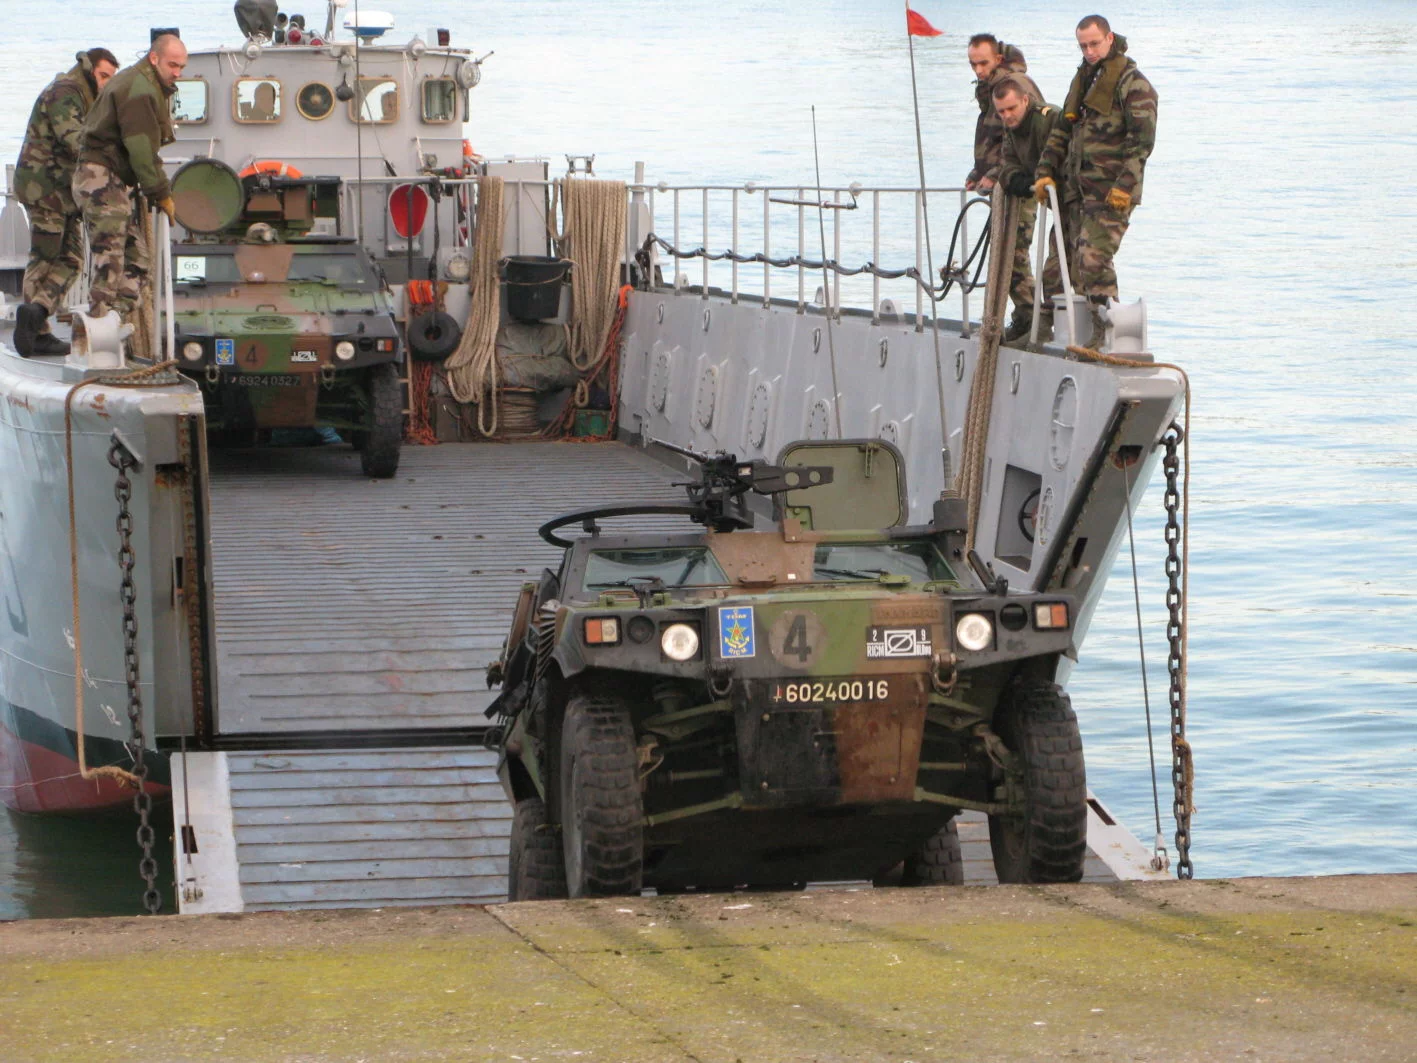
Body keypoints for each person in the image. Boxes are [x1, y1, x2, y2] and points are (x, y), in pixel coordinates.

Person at [1033, 15, 1158, 346]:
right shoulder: (1084, 81)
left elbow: (1141, 143)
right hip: (1076, 190)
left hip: (1111, 191)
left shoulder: (1133, 84)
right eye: (1083, 46)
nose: (1089, 51)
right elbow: (1062, 130)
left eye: (1094, 44)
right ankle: (1055, 332)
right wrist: (1045, 171)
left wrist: (1124, 186)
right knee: (1057, 265)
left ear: (1109, 38)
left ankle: (1105, 332)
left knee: (1093, 258)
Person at [11, 48, 119, 357]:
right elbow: (74, 140)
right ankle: (37, 333)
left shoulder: (87, 97)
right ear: (88, 69)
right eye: (103, 76)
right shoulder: (66, 92)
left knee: (71, 260)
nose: (106, 83)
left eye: (111, 79)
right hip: (44, 189)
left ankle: (37, 311)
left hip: (65, 193)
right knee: (45, 257)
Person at [73, 33, 186, 324]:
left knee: (137, 262)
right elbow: (141, 150)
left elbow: (143, 150)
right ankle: (97, 327)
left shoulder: (142, 84)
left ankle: (113, 321)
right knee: (110, 261)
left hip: (108, 179)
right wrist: (161, 193)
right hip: (100, 178)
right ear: (154, 58)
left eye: (181, 67)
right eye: (172, 65)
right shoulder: (140, 90)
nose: (177, 73)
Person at [962, 34, 1042, 340]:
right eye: (973, 64)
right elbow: (992, 137)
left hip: (1020, 182)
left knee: (1014, 253)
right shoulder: (989, 88)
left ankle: (1031, 320)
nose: (978, 70)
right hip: (1002, 180)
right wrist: (980, 170)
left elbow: (1022, 138)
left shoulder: (1015, 87)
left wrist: (996, 172)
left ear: (997, 59)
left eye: (983, 63)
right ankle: (1025, 317)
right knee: (1004, 252)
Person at [995, 78, 1063, 343]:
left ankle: (1065, 326)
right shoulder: (1011, 128)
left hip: (1069, 195)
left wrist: (1043, 179)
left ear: (1025, 100)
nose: (1006, 115)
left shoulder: (1049, 119)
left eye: (1011, 108)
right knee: (1018, 258)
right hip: (1046, 194)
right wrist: (1020, 181)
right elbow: (1007, 163)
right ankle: (1034, 322)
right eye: (1001, 111)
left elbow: (1066, 155)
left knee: (1060, 264)